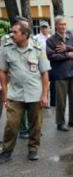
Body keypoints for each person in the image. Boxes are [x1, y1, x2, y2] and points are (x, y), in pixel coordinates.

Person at [0, 21, 50, 163]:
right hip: (15, 94)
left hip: (35, 94)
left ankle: (33, 149)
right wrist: (5, 93)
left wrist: (44, 95)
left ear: (25, 34)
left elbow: (44, 74)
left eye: (15, 32)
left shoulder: (37, 49)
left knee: (36, 124)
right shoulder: (7, 48)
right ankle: (7, 151)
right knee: (11, 124)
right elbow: (2, 72)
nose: (12, 34)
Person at [46, 16, 73, 131]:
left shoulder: (71, 37)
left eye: (65, 24)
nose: (63, 27)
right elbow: (50, 56)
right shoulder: (51, 40)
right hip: (60, 74)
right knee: (61, 100)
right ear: (56, 25)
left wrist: (67, 48)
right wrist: (67, 55)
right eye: (61, 24)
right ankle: (60, 123)